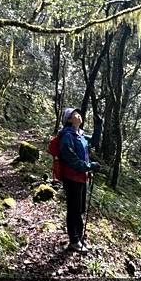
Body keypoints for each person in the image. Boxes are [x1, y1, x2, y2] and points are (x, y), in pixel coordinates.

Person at [58, 107, 101, 252]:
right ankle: (74, 240)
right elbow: (72, 160)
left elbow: (94, 142)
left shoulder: (80, 135)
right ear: (69, 119)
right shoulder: (67, 136)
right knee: (73, 209)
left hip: (82, 178)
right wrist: (90, 166)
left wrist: (99, 125)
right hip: (71, 178)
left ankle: (79, 237)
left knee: (80, 209)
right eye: (75, 114)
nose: (79, 115)